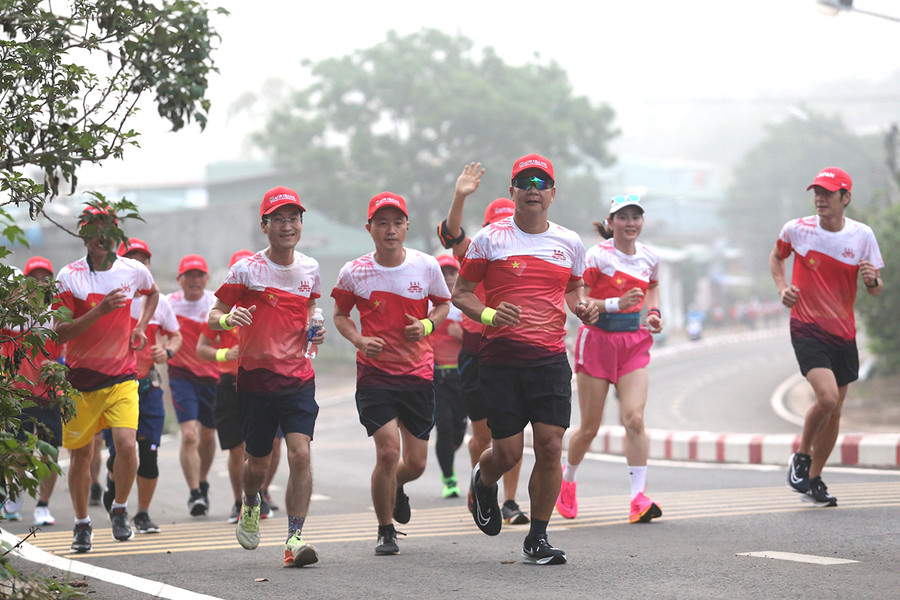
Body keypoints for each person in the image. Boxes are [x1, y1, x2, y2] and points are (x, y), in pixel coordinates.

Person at [453, 154, 599, 565]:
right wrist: (489, 315)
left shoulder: (569, 242)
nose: (533, 187)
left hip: (550, 358)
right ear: (512, 190)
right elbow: (461, 293)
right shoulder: (489, 239)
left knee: (551, 445)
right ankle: (484, 481)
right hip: (500, 358)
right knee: (508, 453)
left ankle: (537, 537)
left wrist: (582, 307)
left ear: (552, 193)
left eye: (541, 181)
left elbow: (573, 289)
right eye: (524, 180)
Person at [208, 186, 324, 568]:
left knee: (300, 454)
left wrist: (314, 328)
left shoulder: (310, 268)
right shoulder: (247, 270)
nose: (287, 226)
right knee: (257, 463)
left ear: (300, 224)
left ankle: (294, 538)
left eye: (293, 218)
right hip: (256, 380)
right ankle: (251, 501)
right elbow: (214, 314)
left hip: (297, 378)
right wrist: (229, 318)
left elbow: (309, 309)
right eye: (278, 219)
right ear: (265, 225)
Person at [332, 192, 451, 556]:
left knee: (414, 463)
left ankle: (396, 486)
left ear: (406, 227)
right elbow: (340, 314)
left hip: (417, 374)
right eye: (381, 222)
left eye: (397, 222)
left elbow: (444, 304)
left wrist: (428, 326)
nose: (390, 229)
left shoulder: (426, 265)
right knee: (387, 453)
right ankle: (385, 529)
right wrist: (358, 339)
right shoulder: (354, 272)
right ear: (369, 228)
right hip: (375, 376)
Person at [770, 167, 883, 507]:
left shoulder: (862, 236)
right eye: (816, 192)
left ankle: (814, 479)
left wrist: (871, 280)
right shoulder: (797, 229)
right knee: (828, 397)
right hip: (806, 327)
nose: (820, 198)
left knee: (835, 412)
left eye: (828, 193)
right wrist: (782, 288)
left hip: (843, 332)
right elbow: (777, 256)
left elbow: (876, 290)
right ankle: (801, 458)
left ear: (845, 198)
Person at [53, 204, 160, 552]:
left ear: (116, 235)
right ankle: (82, 523)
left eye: (107, 229)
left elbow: (153, 292)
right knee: (82, 456)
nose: (100, 236)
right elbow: (61, 333)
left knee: (127, 446)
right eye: (92, 229)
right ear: (82, 234)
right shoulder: (69, 276)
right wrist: (100, 310)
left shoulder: (132, 270)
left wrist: (141, 327)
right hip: (80, 381)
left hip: (122, 376)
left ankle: (119, 508)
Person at [556, 194, 664, 524]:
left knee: (634, 419)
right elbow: (578, 298)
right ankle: (568, 480)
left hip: (634, 342)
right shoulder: (597, 257)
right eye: (623, 217)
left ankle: (638, 498)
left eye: (636, 217)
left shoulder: (649, 257)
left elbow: (653, 288)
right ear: (611, 222)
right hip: (598, 340)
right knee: (590, 426)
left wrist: (654, 313)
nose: (630, 223)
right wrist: (616, 303)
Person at [437, 162, 530, 524]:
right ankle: (483, 482)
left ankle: (509, 501)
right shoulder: (477, 251)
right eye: (495, 224)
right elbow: (451, 232)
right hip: (476, 355)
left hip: (517, 353)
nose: (502, 230)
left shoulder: (527, 254)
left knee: (514, 434)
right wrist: (460, 196)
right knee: (483, 435)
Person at [101, 238, 182, 534]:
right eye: (131, 260)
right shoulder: (111, 299)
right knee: (120, 454)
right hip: (115, 386)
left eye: (143, 260)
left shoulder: (158, 303)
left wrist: (167, 351)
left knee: (148, 454)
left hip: (148, 388)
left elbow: (175, 335)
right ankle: (114, 488)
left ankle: (143, 513)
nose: (139, 265)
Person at [2, 257, 64, 526]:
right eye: (34, 278)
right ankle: (13, 493)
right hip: (20, 395)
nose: (40, 283)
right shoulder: (11, 318)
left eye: (44, 277)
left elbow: (67, 348)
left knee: (50, 451)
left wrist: (58, 366)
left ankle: (43, 506)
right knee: (20, 452)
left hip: (50, 394)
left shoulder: (56, 314)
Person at [197, 248, 254, 524]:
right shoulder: (222, 309)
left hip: (259, 382)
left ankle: (257, 495)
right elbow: (202, 347)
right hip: (229, 383)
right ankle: (238, 502)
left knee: (263, 447)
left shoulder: (264, 303)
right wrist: (225, 355)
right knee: (236, 448)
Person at [167, 253, 219, 516]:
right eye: (189, 276)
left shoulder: (216, 305)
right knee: (189, 435)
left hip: (213, 377)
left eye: (199, 275)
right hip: (182, 376)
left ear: (206, 278)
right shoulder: (169, 304)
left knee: (209, 436)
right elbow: (157, 330)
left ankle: (203, 480)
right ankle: (195, 492)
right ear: (180, 280)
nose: (195, 280)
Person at [430, 254, 466, 498]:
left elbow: (481, 337)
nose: (449, 278)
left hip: (463, 377)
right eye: (443, 274)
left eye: (452, 273)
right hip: (435, 377)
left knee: (458, 430)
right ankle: (449, 478)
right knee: (443, 426)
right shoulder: (428, 305)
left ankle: (448, 454)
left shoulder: (467, 303)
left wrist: (462, 334)